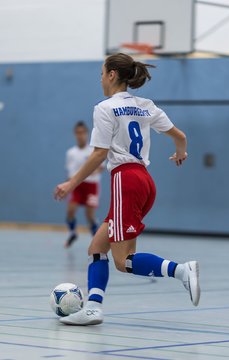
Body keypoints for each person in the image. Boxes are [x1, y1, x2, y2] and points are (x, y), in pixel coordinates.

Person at [55, 53, 201, 325]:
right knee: (97, 247)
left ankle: (182, 270)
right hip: (144, 180)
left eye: (101, 73)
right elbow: (180, 136)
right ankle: (94, 308)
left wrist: (71, 182)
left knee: (124, 261)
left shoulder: (105, 107)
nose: (100, 79)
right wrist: (180, 153)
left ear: (111, 75)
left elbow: (99, 154)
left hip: (125, 181)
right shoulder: (145, 106)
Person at [65, 121, 104, 248]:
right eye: (77, 133)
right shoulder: (71, 153)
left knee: (89, 215)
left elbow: (101, 166)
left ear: (87, 134)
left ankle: (96, 239)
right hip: (78, 186)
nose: (80, 135)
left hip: (91, 186)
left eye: (82, 132)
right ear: (74, 134)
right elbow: (70, 173)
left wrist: (93, 170)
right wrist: (68, 186)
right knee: (70, 211)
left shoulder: (93, 150)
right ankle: (72, 233)